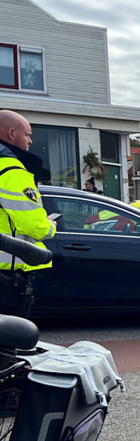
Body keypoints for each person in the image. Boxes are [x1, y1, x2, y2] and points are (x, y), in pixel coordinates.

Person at [0, 110, 57, 319]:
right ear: (11, 133)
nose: (30, 141)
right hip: (7, 273)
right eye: (27, 135)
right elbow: (33, 225)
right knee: (12, 334)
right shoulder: (11, 170)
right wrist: (50, 225)